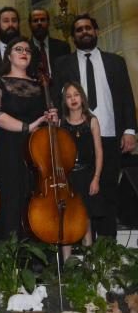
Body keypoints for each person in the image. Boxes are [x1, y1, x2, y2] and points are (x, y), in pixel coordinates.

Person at [53, 14, 136, 238]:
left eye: (88, 28)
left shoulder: (115, 62)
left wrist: (129, 130)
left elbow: (127, 97)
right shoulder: (63, 64)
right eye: (79, 30)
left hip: (110, 135)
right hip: (77, 138)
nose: (84, 32)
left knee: (108, 190)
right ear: (73, 37)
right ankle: (83, 244)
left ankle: (107, 248)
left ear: (96, 31)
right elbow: (56, 100)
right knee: (81, 193)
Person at [0, 37, 54, 242]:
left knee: (33, 198)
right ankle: (8, 257)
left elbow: (46, 115)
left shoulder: (41, 85)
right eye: (18, 49)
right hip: (8, 149)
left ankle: (35, 256)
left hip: (36, 151)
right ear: (9, 55)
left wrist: (51, 118)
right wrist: (28, 127)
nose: (24, 52)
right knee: (11, 199)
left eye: (28, 50)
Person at [60, 81, 104, 260]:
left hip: (86, 176)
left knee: (86, 221)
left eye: (76, 95)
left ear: (82, 97)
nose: (73, 99)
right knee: (67, 221)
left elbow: (99, 152)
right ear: (65, 101)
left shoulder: (92, 121)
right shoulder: (61, 123)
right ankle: (67, 266)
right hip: (67, 178)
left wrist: (96, 178)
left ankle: (89, 266)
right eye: (69, 96)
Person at [29, 8, 70, 76]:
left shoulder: (63, 47)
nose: (39, 23)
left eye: (42, 20)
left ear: (48, 23)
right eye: (35, 20)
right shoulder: (25, 50)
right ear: (30, 24)